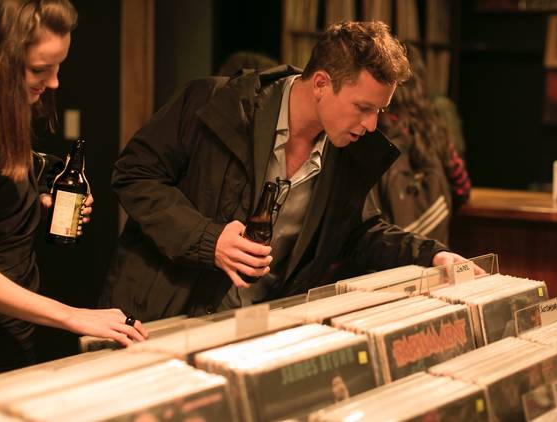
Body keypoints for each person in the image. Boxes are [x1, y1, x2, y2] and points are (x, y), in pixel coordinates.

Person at [99, 21, 470, 322]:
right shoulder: (213, 102)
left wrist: (431, 255)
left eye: (378, 111)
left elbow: (360, 232)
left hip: (252, 333)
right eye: (362, 107)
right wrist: (208, 240)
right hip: (158, 320)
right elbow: (134, 174)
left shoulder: (347, 151)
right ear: (322, 84)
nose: (372, 125)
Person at [0, 0, 146, 375]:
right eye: (40, 69)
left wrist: (31, 201)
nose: (54, 82)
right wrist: (73, 316)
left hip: (5, 335)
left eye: (58, 67)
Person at [371, 45, 471, 245]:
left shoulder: (372, 127)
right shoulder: (433, 127)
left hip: (386, 256)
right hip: (434, 255)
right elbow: (462, 188)